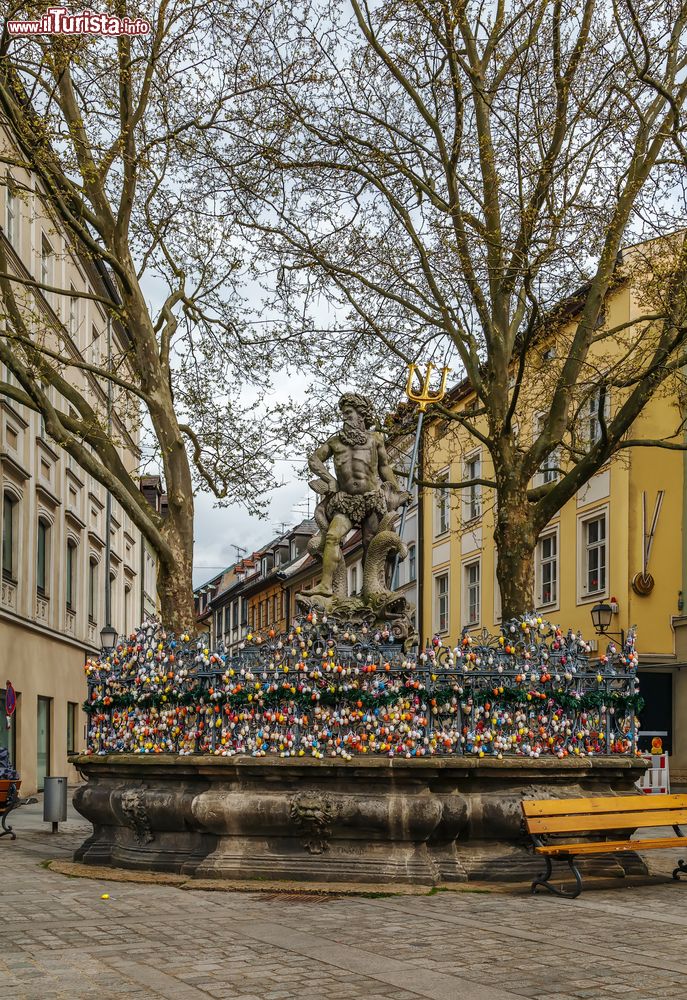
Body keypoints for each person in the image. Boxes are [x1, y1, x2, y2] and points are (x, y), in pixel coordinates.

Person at [304, 393, 404, 598]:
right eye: (343, 413)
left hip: (371, 499)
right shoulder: (335, 442)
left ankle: (374, 591)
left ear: (361, 415)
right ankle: (325, 585)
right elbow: (314, 460)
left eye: (348, 413)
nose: (344, 417)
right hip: (345, 501)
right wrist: (330, 479)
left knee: (371, 542)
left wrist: (396, 490)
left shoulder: (376, 439)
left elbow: (385, 468)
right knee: (332, 536)